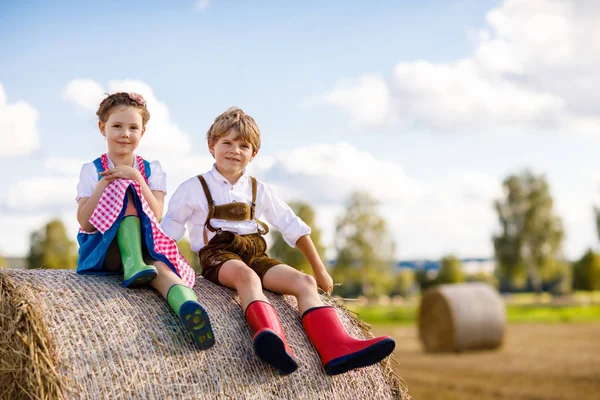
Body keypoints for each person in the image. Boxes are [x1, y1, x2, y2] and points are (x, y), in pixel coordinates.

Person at [161, 107, 394, 375]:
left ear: (254, 153)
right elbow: (169, 232)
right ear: (211, 145)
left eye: (243, 145)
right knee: (247, 278)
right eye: (227, 142)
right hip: (218, 258)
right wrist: (160, 265)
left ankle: (336, 349)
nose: (234, 151)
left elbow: (292, 226)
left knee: (304, 282)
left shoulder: (259, 189)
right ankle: (272, 339)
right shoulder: (193, 187)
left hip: (255, 254)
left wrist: (319, 270)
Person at [75, 92, 214, 349]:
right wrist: (107, 182)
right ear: (102, 127)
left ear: (143, 131)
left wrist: (137, 178)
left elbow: (156, 213)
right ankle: (132, 263)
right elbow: (86, 224)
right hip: (106, 250)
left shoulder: (152, 170)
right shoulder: (92, 170)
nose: (125, 134)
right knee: (122, 187)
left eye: (133, 128)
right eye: (117, 126)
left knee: (164, 272)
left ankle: (190, 309)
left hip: (144, 243)